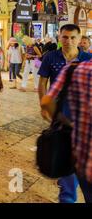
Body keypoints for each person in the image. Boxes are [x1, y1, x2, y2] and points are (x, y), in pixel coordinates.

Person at [38, 24, 92, 203]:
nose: (68, 41)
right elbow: (42, 83)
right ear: (59, 37)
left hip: (80, 110)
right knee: (66, 159)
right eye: (65, 37)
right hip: (61, 113)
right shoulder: (50, 57)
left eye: (72, 37)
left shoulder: (86, 59)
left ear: (79, 39)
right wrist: (44, 105)